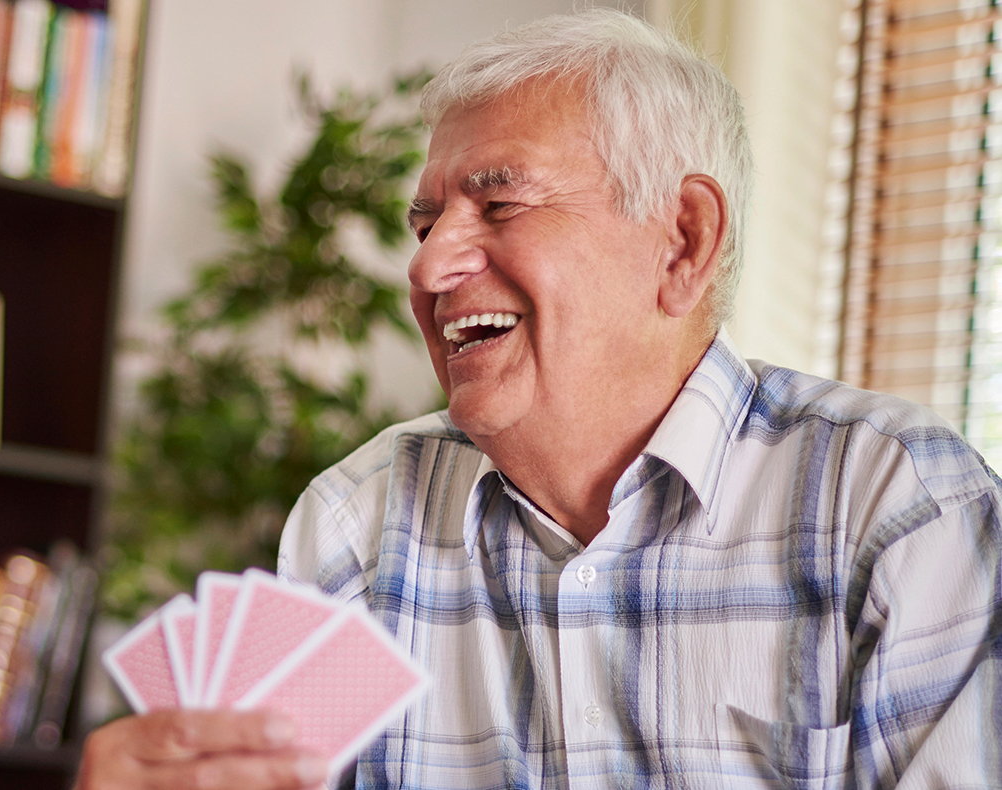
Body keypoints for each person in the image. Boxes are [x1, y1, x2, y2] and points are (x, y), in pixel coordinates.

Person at [79, 9, 1002, 789]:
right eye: (425, 224)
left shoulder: (897, 507)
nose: (428, 268)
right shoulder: (356, 525)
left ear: (684, 241)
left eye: (500, 207)